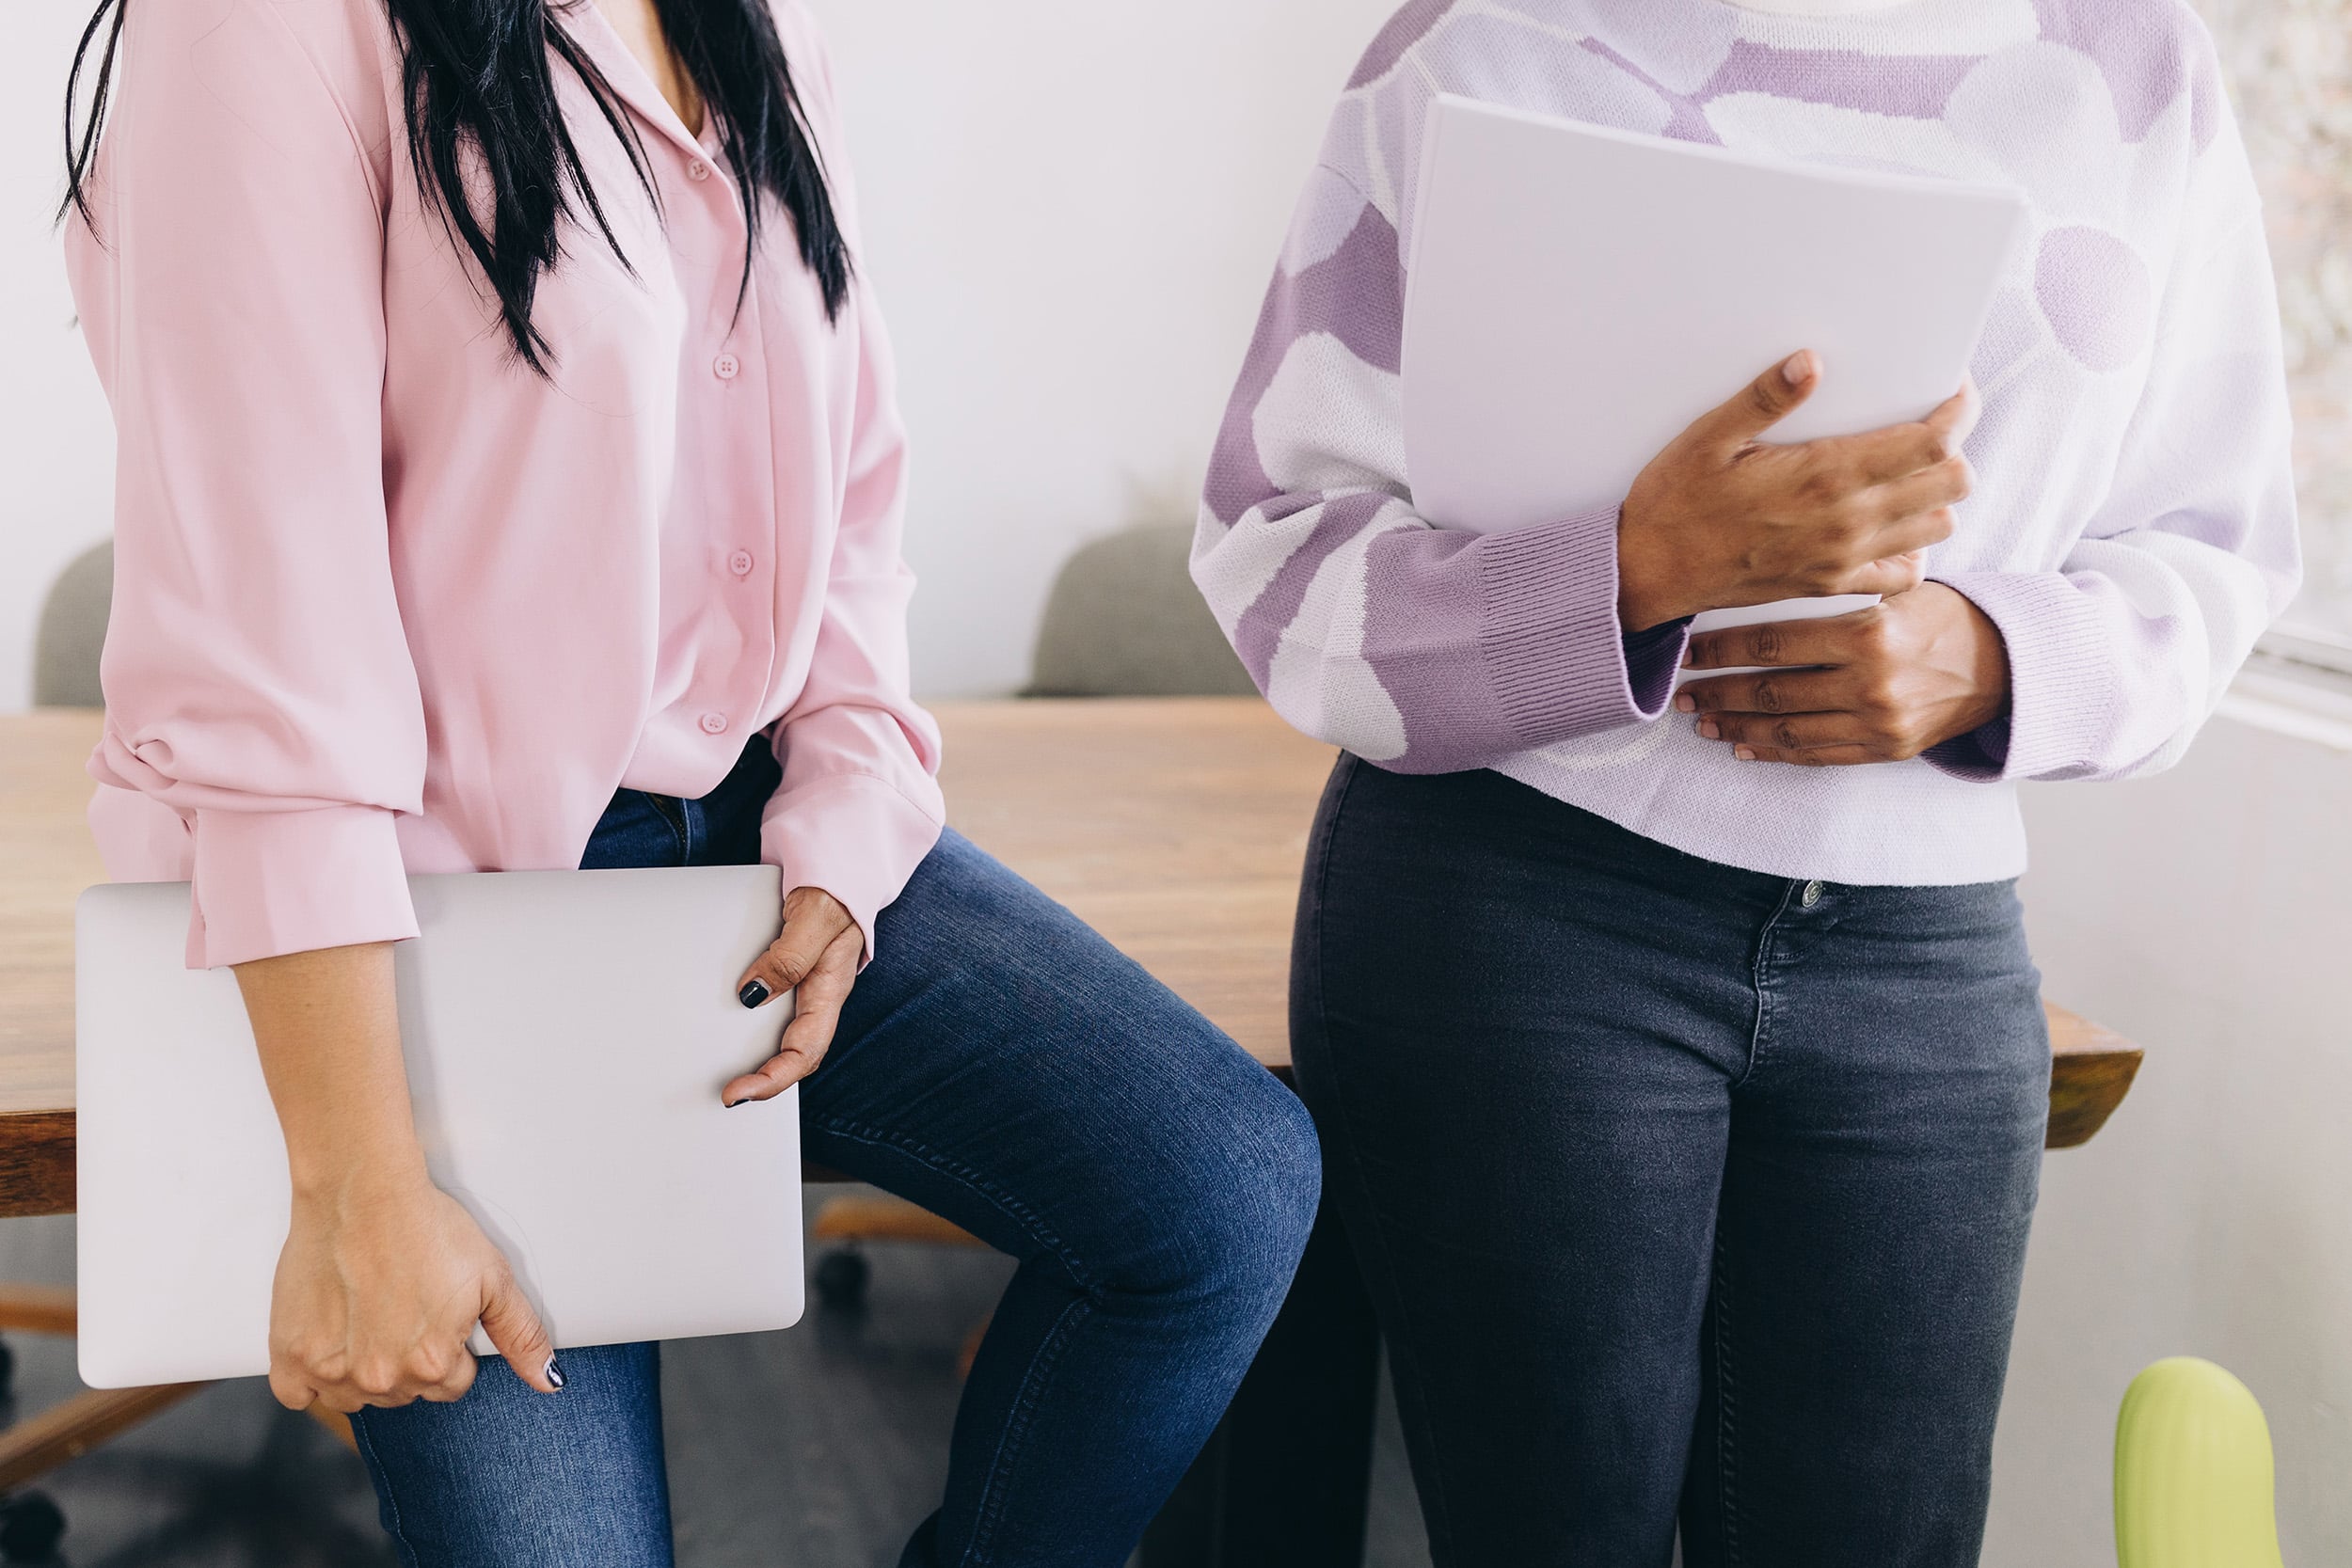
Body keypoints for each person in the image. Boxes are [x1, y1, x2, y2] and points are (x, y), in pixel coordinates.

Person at [59, 1, 1319, 1563]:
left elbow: (850, 495)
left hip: (745, 844)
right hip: (445, 912)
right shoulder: (257, 27)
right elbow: (265, 637)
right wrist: (357, 1186)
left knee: (1223, 1195)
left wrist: (846, 836)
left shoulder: (761, 24)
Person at [1192, 1, 2298, 1563]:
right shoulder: (1475, 44)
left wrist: (1990, 657)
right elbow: (1275, 555)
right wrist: (1629, 571)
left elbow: (2219, 544)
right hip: (1516, 909)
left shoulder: (2137, 58)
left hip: (1930, 951)